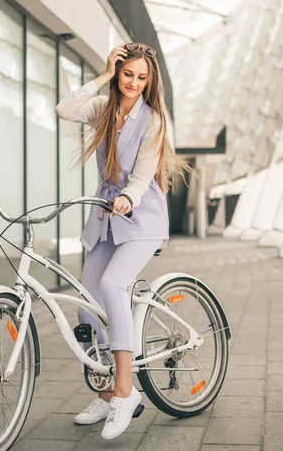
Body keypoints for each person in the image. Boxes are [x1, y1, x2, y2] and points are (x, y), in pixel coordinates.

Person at [55, 42, 192, 440]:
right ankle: (103, 391)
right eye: (127, 73)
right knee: (86, 305)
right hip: (105, 219)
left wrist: (128, 197)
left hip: (140, 217)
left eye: (141, 77)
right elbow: (65, 109)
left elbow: (143, 173)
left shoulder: (153, 121)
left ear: (150, 83)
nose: (133, 82)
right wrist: (101, 74)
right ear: (118, 73)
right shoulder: (102, 109)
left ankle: (125, 392)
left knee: (115, 285)